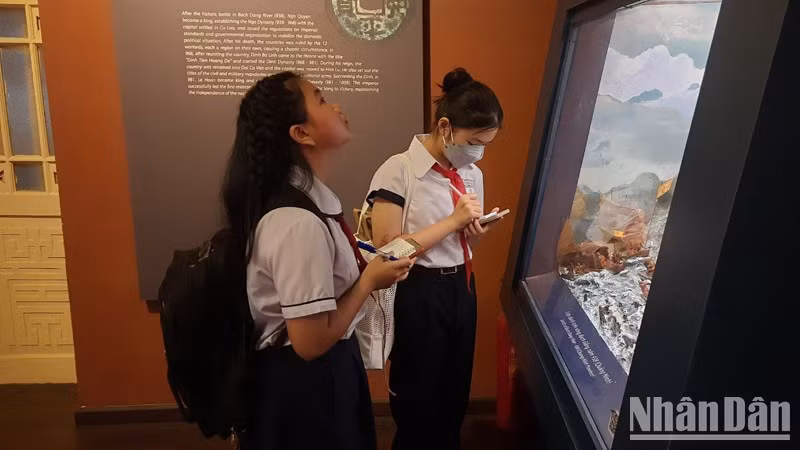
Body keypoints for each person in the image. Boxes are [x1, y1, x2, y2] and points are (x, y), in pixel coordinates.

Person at [221, 71, 414, 450]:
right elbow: (309, 342)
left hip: (320, 374)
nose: (336, 106)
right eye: (321, 99)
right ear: (301, 133)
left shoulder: (308, 204)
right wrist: (368, 281)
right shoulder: (297, 222)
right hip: (306, 386)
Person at [366, 67, 504, 450]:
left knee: (454, 394)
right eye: (473, 142)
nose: (477, 152)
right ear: (445, 127)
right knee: (418, 399)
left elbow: (460, 238)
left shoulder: (471, 173)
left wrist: (473, 230)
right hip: (419, 290)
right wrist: (452, 222)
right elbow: (388, 249)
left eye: (485, 144)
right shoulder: (399, 170)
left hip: (462, 285)